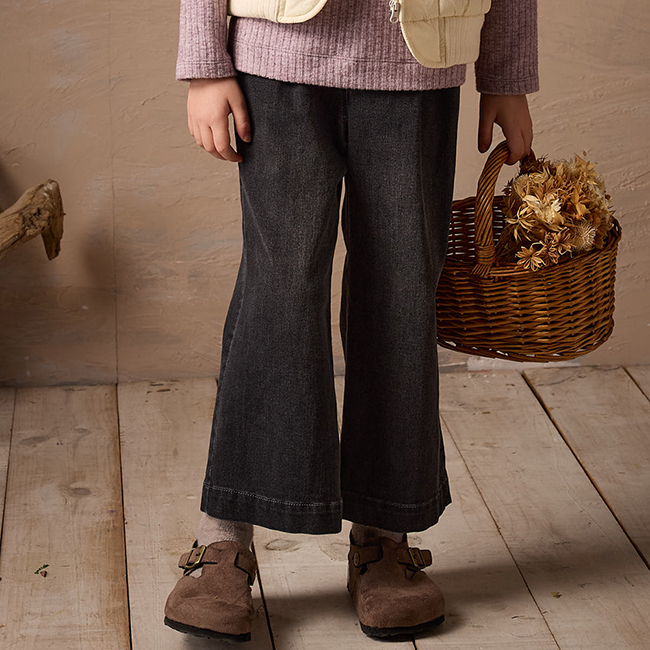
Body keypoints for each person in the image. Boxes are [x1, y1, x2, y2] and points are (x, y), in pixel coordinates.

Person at [164, 0, 538, 642]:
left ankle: (384, 536)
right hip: (278, 55)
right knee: (277, 291)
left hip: (419, 59)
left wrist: (506, 73)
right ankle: (224, 538)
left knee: (402, 292)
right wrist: (204, 62)